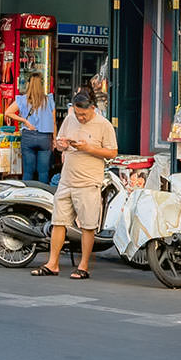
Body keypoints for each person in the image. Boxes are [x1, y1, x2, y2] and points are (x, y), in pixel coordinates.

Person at [31, 91, 117, 280]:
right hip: (67, 179)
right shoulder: (70, 120)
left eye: (83, 114)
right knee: (58, 222)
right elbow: (59, 144)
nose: (80, 117)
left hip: (88, 182)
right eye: (77, 113)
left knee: (88, 225)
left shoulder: (104, 125)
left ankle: (83, 266)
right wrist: (61, 145)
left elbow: (112, 153)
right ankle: (52, 263)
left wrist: (88, 148)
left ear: (93, 108)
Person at [3, 72, 55, 183]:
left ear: (28, 84)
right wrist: (54, 139)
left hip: (28, 136)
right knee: (43, 172)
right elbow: (53, 121)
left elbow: (8, 112)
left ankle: (25, 196)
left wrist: (24, 121)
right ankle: (42, 197)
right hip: (45, 137)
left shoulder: (22, 100)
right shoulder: (49, 100)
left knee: (28, 171)